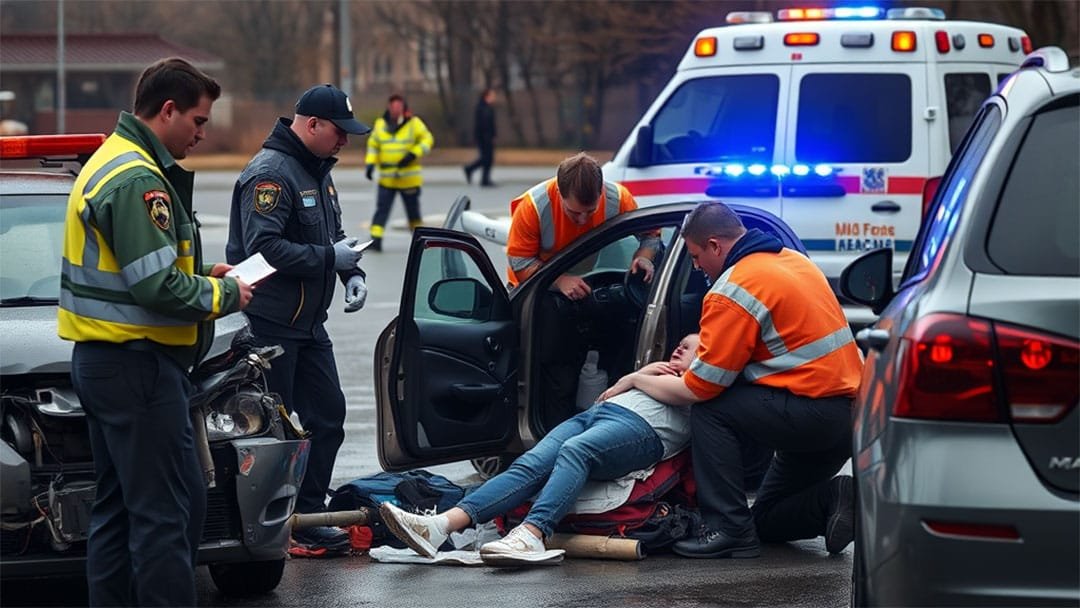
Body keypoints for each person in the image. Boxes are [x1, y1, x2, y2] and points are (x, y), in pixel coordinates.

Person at [59, 57, 252, 606]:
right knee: (169, 514)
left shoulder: (110, 161)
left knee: (119, 511)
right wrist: (226, 294)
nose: (202, 132)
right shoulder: (140, 178)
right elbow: (157, 290)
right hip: (139, 367)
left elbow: (141, 271)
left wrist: (200, 273)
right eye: (197, 119)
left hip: (105, 362)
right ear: (166, 111)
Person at [597, 200, 863, 559]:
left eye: (694, 256)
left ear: (715, 246)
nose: (696, 266)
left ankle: (726, 529)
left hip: (813, 414)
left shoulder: (734, 289)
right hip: (847, 417)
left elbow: (698, 388)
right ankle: (836, 498)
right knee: (765, 521)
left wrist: (636, 380)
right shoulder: (792, 260)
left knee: (712, 411)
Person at [380, 335, 702, 566]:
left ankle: (533, 534)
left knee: (578, 451)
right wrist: (636, 379)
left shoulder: (697, 383)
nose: (678, 347)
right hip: (597, 415)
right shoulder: (656, 374)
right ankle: (440, 527)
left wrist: (634, 378)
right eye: (681, 343)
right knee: (528, 465)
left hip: (642, 429)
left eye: (689, 347)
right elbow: (608, 395)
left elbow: (681, 391)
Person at [226, 83, 370, 553]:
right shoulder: (270, 174)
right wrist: (332, 258)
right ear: (311, 125)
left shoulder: (316, 170)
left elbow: (335, 235)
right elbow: (263, 249)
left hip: (308, 325)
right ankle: (273, 526)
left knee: (328, 416)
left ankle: (305, 517)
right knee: (275, 432)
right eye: (339, 132)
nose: (345, 141)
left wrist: (352, 267)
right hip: (271, 326)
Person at [506, 152, 660, 296]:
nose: (583, 220)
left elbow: (651, 236)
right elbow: (520, 262)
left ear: (602, 191)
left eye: (591, 211)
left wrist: (644, 258)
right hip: (533, 289)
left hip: (587, 283)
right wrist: (559, 280)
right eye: (574, 212)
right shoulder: (533, 207)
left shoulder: (619, 199)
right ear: (559, 192)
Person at [364, 93, 434, 252]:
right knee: (381, 210)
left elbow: (427, 139)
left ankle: (420, 242)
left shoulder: (413, 123)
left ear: (404, 107)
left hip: (408, 178)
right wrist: (370, 164)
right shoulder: (381, 124)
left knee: (413, 214)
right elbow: (373, 145)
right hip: (387, 179)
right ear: (389, 107)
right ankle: (376, 239)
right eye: (393, 106)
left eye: (399, 106)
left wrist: (413, 154)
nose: (396, 110)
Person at [463, 87, 497, 186]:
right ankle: (471, 170)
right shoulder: (482, 108)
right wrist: (486, 136)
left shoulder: (488, 108)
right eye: (492, 95)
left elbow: (491, 124)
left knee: (488, 158)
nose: (494, 97)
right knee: (486, 158)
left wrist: (493, 134)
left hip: (488, 136)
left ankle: (484, 178)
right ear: (487, 96)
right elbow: (482, 124)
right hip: (483, 137)